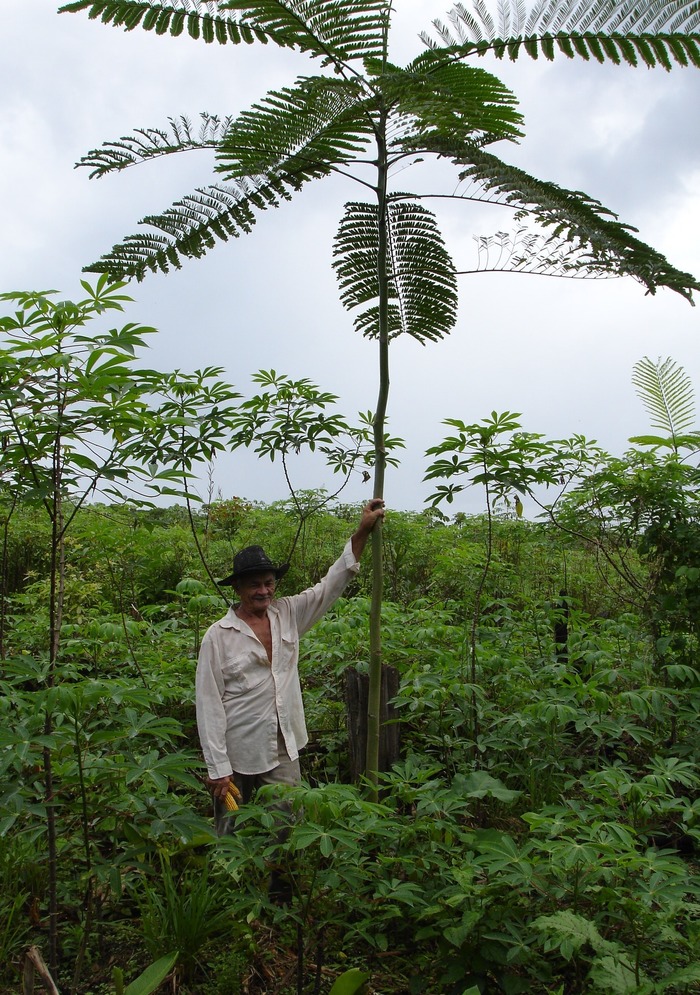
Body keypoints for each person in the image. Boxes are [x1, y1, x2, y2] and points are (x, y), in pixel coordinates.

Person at [195, 498, 385, 837]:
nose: (264, 591)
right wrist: (217, 767)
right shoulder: (218, 636)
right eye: (254, 584)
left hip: (284, 744)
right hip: (236, 753)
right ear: (237, 588)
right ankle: (230, 882)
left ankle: (280, 885)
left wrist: (361, 532)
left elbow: (330, 585)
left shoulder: (288, 614)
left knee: (284, 827)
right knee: (230, 831)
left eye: (269, 583)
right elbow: (208, 705)